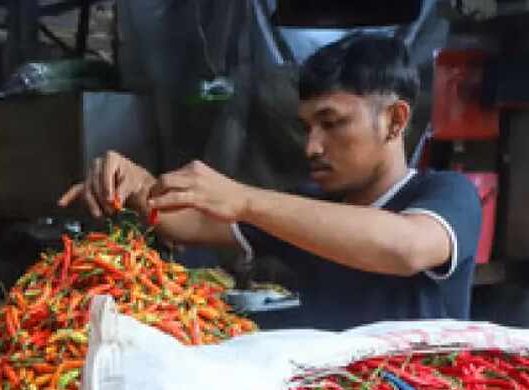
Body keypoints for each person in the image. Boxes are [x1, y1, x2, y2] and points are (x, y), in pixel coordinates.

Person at [59, 33, 483, 331]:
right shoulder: (302, 210)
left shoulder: (446, 194)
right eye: (307, 128)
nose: (312, 147)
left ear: (395, 121)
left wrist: (244, 199)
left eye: (332, 124)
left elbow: (404, 248)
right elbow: (182, 221)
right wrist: (135, 184)